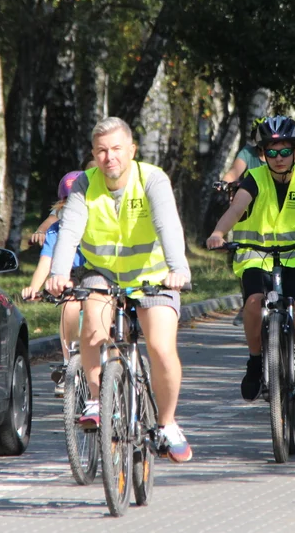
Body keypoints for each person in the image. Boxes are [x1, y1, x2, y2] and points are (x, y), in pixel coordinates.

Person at [46, 117, 193, 463]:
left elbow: (166, 223)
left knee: (159, 347)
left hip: (154, 274)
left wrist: (178, 268)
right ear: (94, 156)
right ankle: (98, 399)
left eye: (115, 149)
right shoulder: (84, 184)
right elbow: (69, 232)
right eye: (101, 151)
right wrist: (58, 273)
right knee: (94, 330)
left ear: (131, 150)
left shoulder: (152, 179)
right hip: (103, 273)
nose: (109, 157)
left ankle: (168, 423)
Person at [206, 117, 295, 408]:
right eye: (272, 152)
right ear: (263, 154)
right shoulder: (255, 178)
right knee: (254, 302)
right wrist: (219, 232)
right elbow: (236, 208)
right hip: (257, 254)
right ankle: (256, 362)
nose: (279, 158)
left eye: (285, 151)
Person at [22, 171, 85, 396]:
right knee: (69, 305)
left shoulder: (98, 227)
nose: (72, 207)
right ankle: (70, 363)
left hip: (97, 276)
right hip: (68, 278)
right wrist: (34, 287)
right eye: (67, 202)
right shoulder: (56, 231)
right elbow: (46, 262)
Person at [221, 117, 267, 184]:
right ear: (254, 138)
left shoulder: (279, 155)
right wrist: (224, 182)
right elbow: (235, 171)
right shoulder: (247, 153)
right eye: (259, 136)